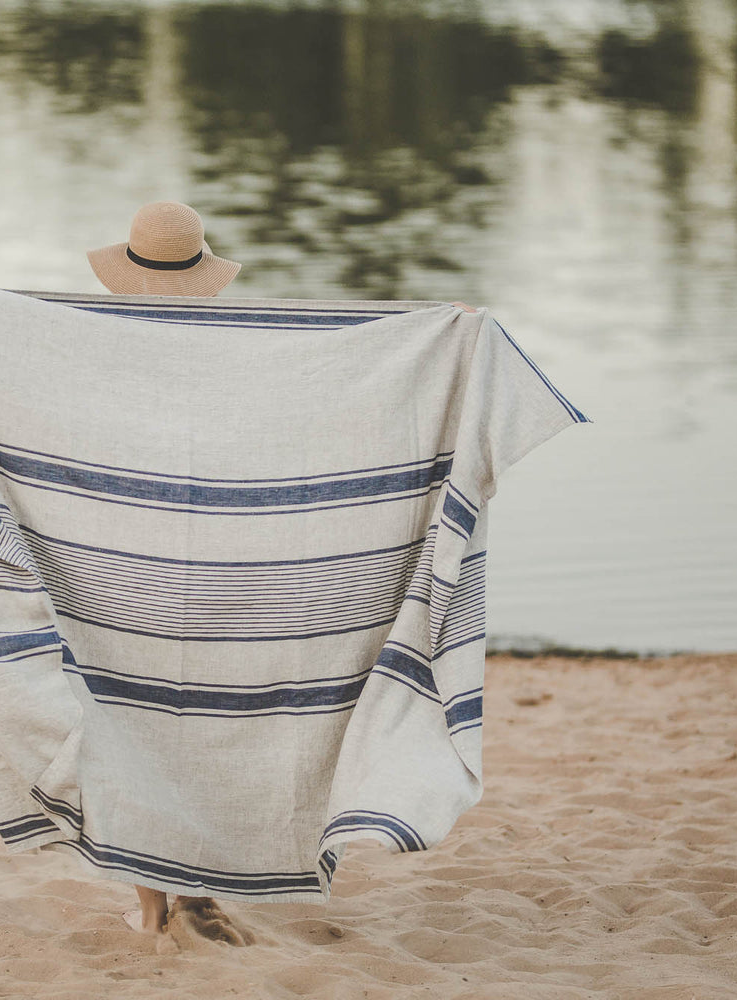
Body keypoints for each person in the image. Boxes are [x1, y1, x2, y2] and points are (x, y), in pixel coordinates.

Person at [85, 201, 476, 944]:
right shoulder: (244, 346)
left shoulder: (97, 345)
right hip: (232, 567)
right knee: (215, 729)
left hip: (126, 570)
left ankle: (151, 903)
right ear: (204, 272)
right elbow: (337, 372)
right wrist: (439, 331)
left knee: (130, 723)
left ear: (123, 272)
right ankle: (198, 891)